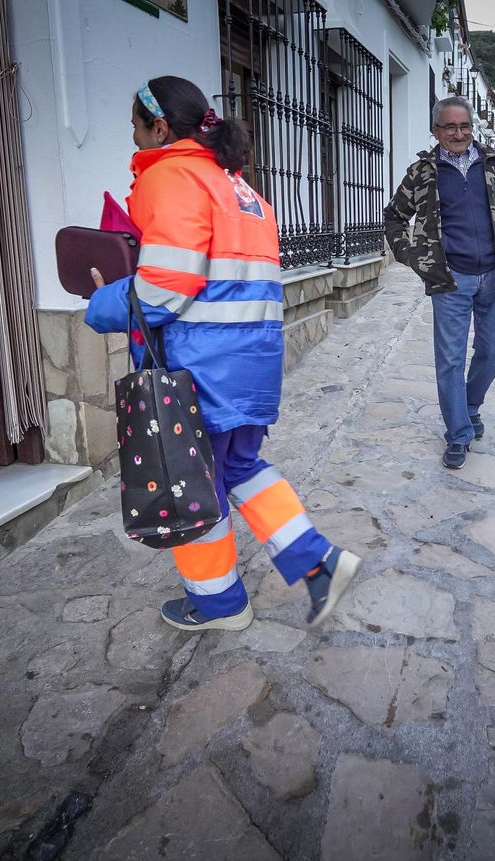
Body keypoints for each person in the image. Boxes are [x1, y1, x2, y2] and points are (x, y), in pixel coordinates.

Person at [84, 76, 361, 632]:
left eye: (137, 129)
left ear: (160, 127)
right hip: (252, 364)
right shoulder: (241, 190)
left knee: (192, 485)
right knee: (238, 466)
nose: (135, 141)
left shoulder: (170, 177)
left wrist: (102, 302)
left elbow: (165, 288)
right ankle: (319, 564)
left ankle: (219, 605)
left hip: (199, 369)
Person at [383, 97, 495, 470]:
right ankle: (458, 433)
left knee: (493, 353)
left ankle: (469, 406)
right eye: (449, 127)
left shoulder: (494, 163)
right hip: (451, 279)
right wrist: (414, 258)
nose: (458, 133)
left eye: (464, 126)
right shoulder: (423, 172)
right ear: (436, 131)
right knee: (449, 360)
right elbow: (394, 218)